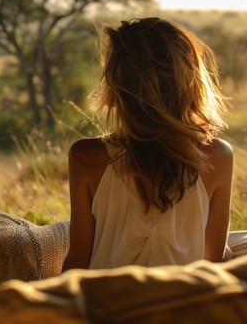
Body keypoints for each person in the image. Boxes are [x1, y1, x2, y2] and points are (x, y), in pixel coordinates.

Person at [62, 17, 234, 271]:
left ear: (116, 84)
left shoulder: (86, 156)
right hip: (181, 303)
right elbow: (213, 257)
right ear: (189, 82)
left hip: (110, 304)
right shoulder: (217, 155)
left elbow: (78, 261)